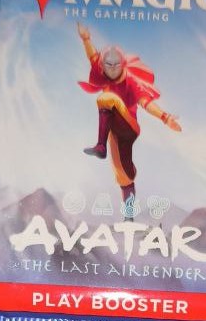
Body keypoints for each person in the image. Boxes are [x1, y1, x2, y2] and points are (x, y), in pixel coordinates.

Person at [77, 24, 181, 218]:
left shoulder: (131, 81)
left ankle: (100, 146)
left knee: (106, 98)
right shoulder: (102, 70)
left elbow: (146, 102)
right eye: (108, 66)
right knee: (123, 176)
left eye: (116, 66)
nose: (112, 70)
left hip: (128, 125)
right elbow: (92, 56)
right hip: (113, 129)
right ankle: (129, 215)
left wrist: (165, 117)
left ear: (122, 65)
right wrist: (86, 39)